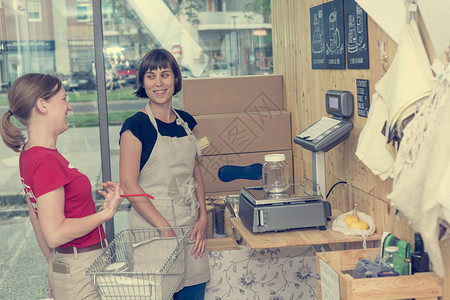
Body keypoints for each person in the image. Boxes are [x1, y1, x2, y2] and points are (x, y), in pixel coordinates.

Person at [0, 73, 124, 300]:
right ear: (42, 105)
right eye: (63, 98)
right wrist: (105, 214)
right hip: (81, 270)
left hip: (72, 268)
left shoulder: (30, 152)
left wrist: (54, 268)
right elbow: (55, 233)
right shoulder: (45, 161)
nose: (69, 106)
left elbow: (36, 218)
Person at [119, 48, 210, 299]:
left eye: (165, 74)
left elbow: (196, 174)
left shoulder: (187, 122)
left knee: (193, 292)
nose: (158, 83)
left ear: (175, 79)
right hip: (153, 235)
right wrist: (164, 228)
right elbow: (127, 184)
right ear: (143, 83)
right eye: (151, 76)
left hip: (191, 233)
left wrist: (203, 217)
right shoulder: (135, 126)